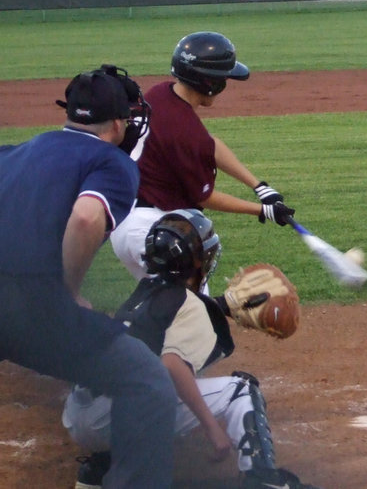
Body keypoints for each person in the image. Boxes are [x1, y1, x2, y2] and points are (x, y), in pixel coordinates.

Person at [0, 66, 177, 488]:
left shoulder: (13, 152)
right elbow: (85, 217)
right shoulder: (111, 162)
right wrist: (67, 292)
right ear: (118, 124)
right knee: (147, 382)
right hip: (30, 305)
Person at [65, 209, 320, 489]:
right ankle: (263, 480)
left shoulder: (146, 290)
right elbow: (172, 364)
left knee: (145, 379)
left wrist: (222, 307)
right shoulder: (189, 305)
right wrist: (212, 429)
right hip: (114, 416)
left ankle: (99, 472)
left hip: (80, 414)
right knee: (240, 390)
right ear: (197, 262)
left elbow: (170, 320)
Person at [111, 32, 295, 280]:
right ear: (211, 83)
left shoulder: (161, 93)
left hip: (125, 220)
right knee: (188, 312)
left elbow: (211, 145)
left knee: (165, 310)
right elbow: (204, 196)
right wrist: (261, 211)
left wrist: (260, 187)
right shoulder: (186, 131)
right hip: (152, 228)